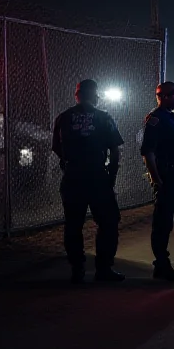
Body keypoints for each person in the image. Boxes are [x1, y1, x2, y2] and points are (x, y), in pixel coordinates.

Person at [52, 79, 125, 284]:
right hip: (97, 176)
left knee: (73, 224)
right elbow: (114, 149)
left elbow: (56, 146)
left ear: (77, 96)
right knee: (109, 222)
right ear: (95, 96)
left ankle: (77, 268)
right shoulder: (103, 117)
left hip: (73, 176)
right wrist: (111, 175)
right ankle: (104, 268)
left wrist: (68, 162)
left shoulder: (64, 117)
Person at [140, 81, 174, 282]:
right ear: (162, 96)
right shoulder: (155, 119)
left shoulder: (172, 118)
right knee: (163, 224)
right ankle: (161, 265)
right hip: (168, 178)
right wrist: (156, 179)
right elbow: (148, 151)